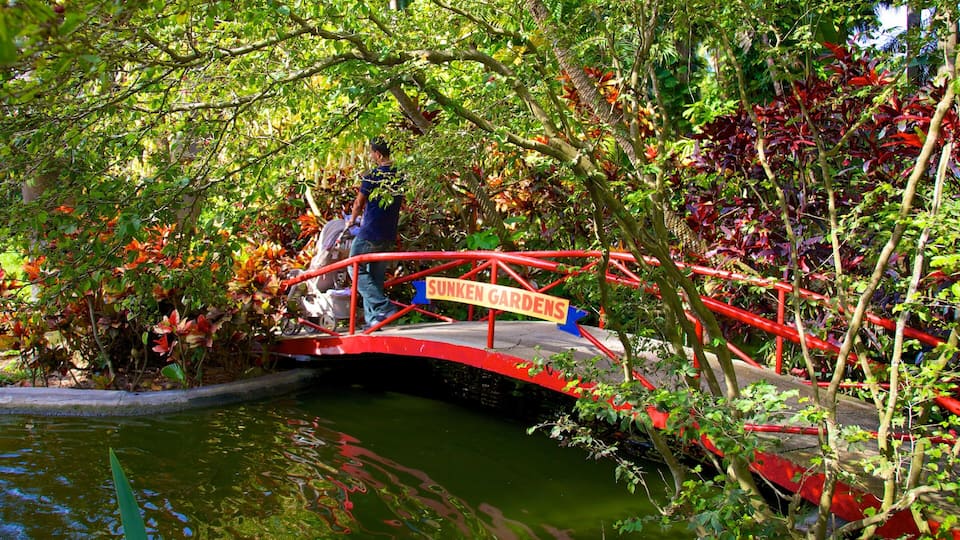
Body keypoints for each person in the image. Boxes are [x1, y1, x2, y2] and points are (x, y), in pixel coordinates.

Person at [345, 138, 404, 328]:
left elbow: (359, 203)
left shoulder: (373, 175)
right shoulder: (399, 175)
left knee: (353, 267)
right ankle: (374, 321)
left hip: (370, 233)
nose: (371, 156)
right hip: (388, 233)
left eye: (372, 153)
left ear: (378, 154)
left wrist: (352, 220)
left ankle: (383, 306)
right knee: (374, 277)